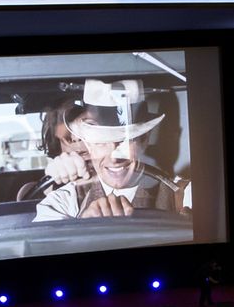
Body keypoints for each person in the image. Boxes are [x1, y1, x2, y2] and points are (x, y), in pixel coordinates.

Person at [35, 78, 190, 221]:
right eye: (100, 142)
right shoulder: (62, 202)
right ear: (88, 145)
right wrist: (81, 229)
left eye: (124, 141)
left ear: (144, 139)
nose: (114, 157)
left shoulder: (185, 194)